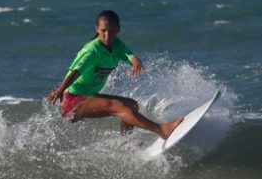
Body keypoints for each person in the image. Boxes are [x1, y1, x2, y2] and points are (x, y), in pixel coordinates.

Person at [46, 10, 183, 139]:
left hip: (88, 96)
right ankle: (161, 130)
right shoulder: (92, 51)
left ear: (118, 30)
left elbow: (129, 55)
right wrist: (60, 90)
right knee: (118, 107)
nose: (107, 35)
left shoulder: (116, 45)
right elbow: (75, 71)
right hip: (71, 101)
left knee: (131, 105)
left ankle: (126, 142)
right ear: (97, 29)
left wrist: (135, 62)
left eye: (111, 31)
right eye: (103, 31)